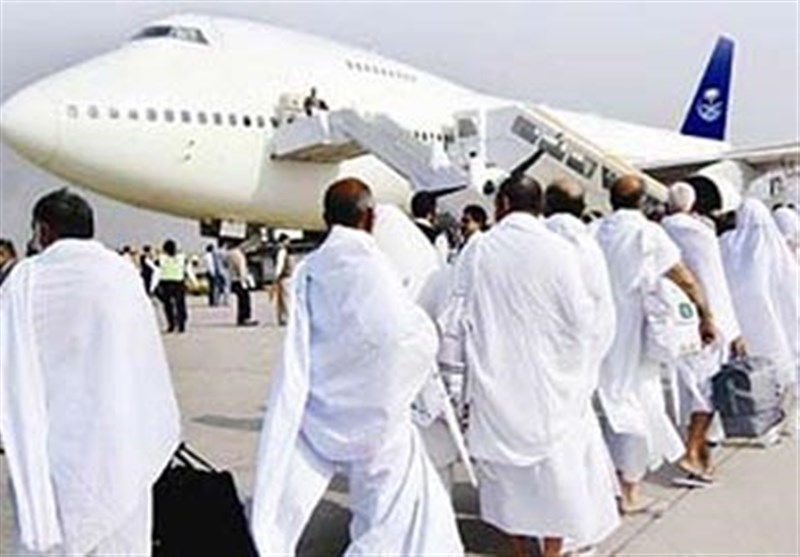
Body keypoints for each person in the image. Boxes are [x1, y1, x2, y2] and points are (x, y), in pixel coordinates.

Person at [250, 178, 462, 556]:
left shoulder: (310, 268)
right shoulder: (372, 266)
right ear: (369, 217)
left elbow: (311, 340)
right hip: (378, 416)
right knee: (394, 519)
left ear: (325, 217)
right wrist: (423, 337)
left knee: (379, 513)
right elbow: (401, 337)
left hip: (325, 413)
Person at [445, 175, 619, 557]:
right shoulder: (561, 251)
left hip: (497, 386)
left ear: (503, 204)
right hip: (552, 389)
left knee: (507, 488)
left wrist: (457, 387)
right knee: (556, 482)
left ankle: (521, 551)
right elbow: (581, 322)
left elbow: (455, 317)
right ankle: (552, 552)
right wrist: (574, 370)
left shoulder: (479, 249)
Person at [0, 189, 181, 555]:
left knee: (55, 539)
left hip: (51, 447)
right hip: (121, 446)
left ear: (43, 230)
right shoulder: (122, 274)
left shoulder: (24, 280)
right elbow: (145, 361)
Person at [595, 175, 716, 513]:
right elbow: (683, 277)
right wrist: (705, 314)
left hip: (599, 333)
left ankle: (611, 482)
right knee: (639, 404)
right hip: (635, 335)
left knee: (607, 406)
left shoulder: (596, 231)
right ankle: (629, 491)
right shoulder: (647, 233)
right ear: (643, 202)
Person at [662, 182, 746, 483]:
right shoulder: (700, 234)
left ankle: (699, 456)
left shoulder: (658, 233)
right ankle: (692, 453)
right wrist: (731, 328)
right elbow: (714, 282)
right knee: (706, 392)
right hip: (706, 324)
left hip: (673, 322)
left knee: (691, 392)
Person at [719, 199, 799, 413]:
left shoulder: (727, 245)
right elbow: (790, 291)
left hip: (738, 326)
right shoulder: (776, 250)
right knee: (776, 376)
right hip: (773, 324)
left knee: (746, 376)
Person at [158, 239, 188, 333]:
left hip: (166, 283)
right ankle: (181, 324)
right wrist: (194, 281)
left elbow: (157, 270)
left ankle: (171, 324)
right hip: (179, 282)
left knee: (168, 305)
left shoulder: (161, 258)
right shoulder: (182, 257)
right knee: (180, 304)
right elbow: (187, 269)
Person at [227, 241, 258, 326]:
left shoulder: (230, 253)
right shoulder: (238, 254)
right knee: (245, 300)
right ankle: (245, 318)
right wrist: (245, 281)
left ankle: (241, 318)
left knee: (241, 300)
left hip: (234, 279)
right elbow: (241, 269)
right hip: (240, 280)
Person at [272, 234, 292, 326]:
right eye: (287, 240)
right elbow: (280, 265)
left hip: (283, 277)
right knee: (287, 298)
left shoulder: (279, 250)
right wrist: (277, 276)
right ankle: (288, 317)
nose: (289, 242)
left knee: (282, 299)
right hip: (284, 277)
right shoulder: (282, 251)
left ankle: (283, 317)